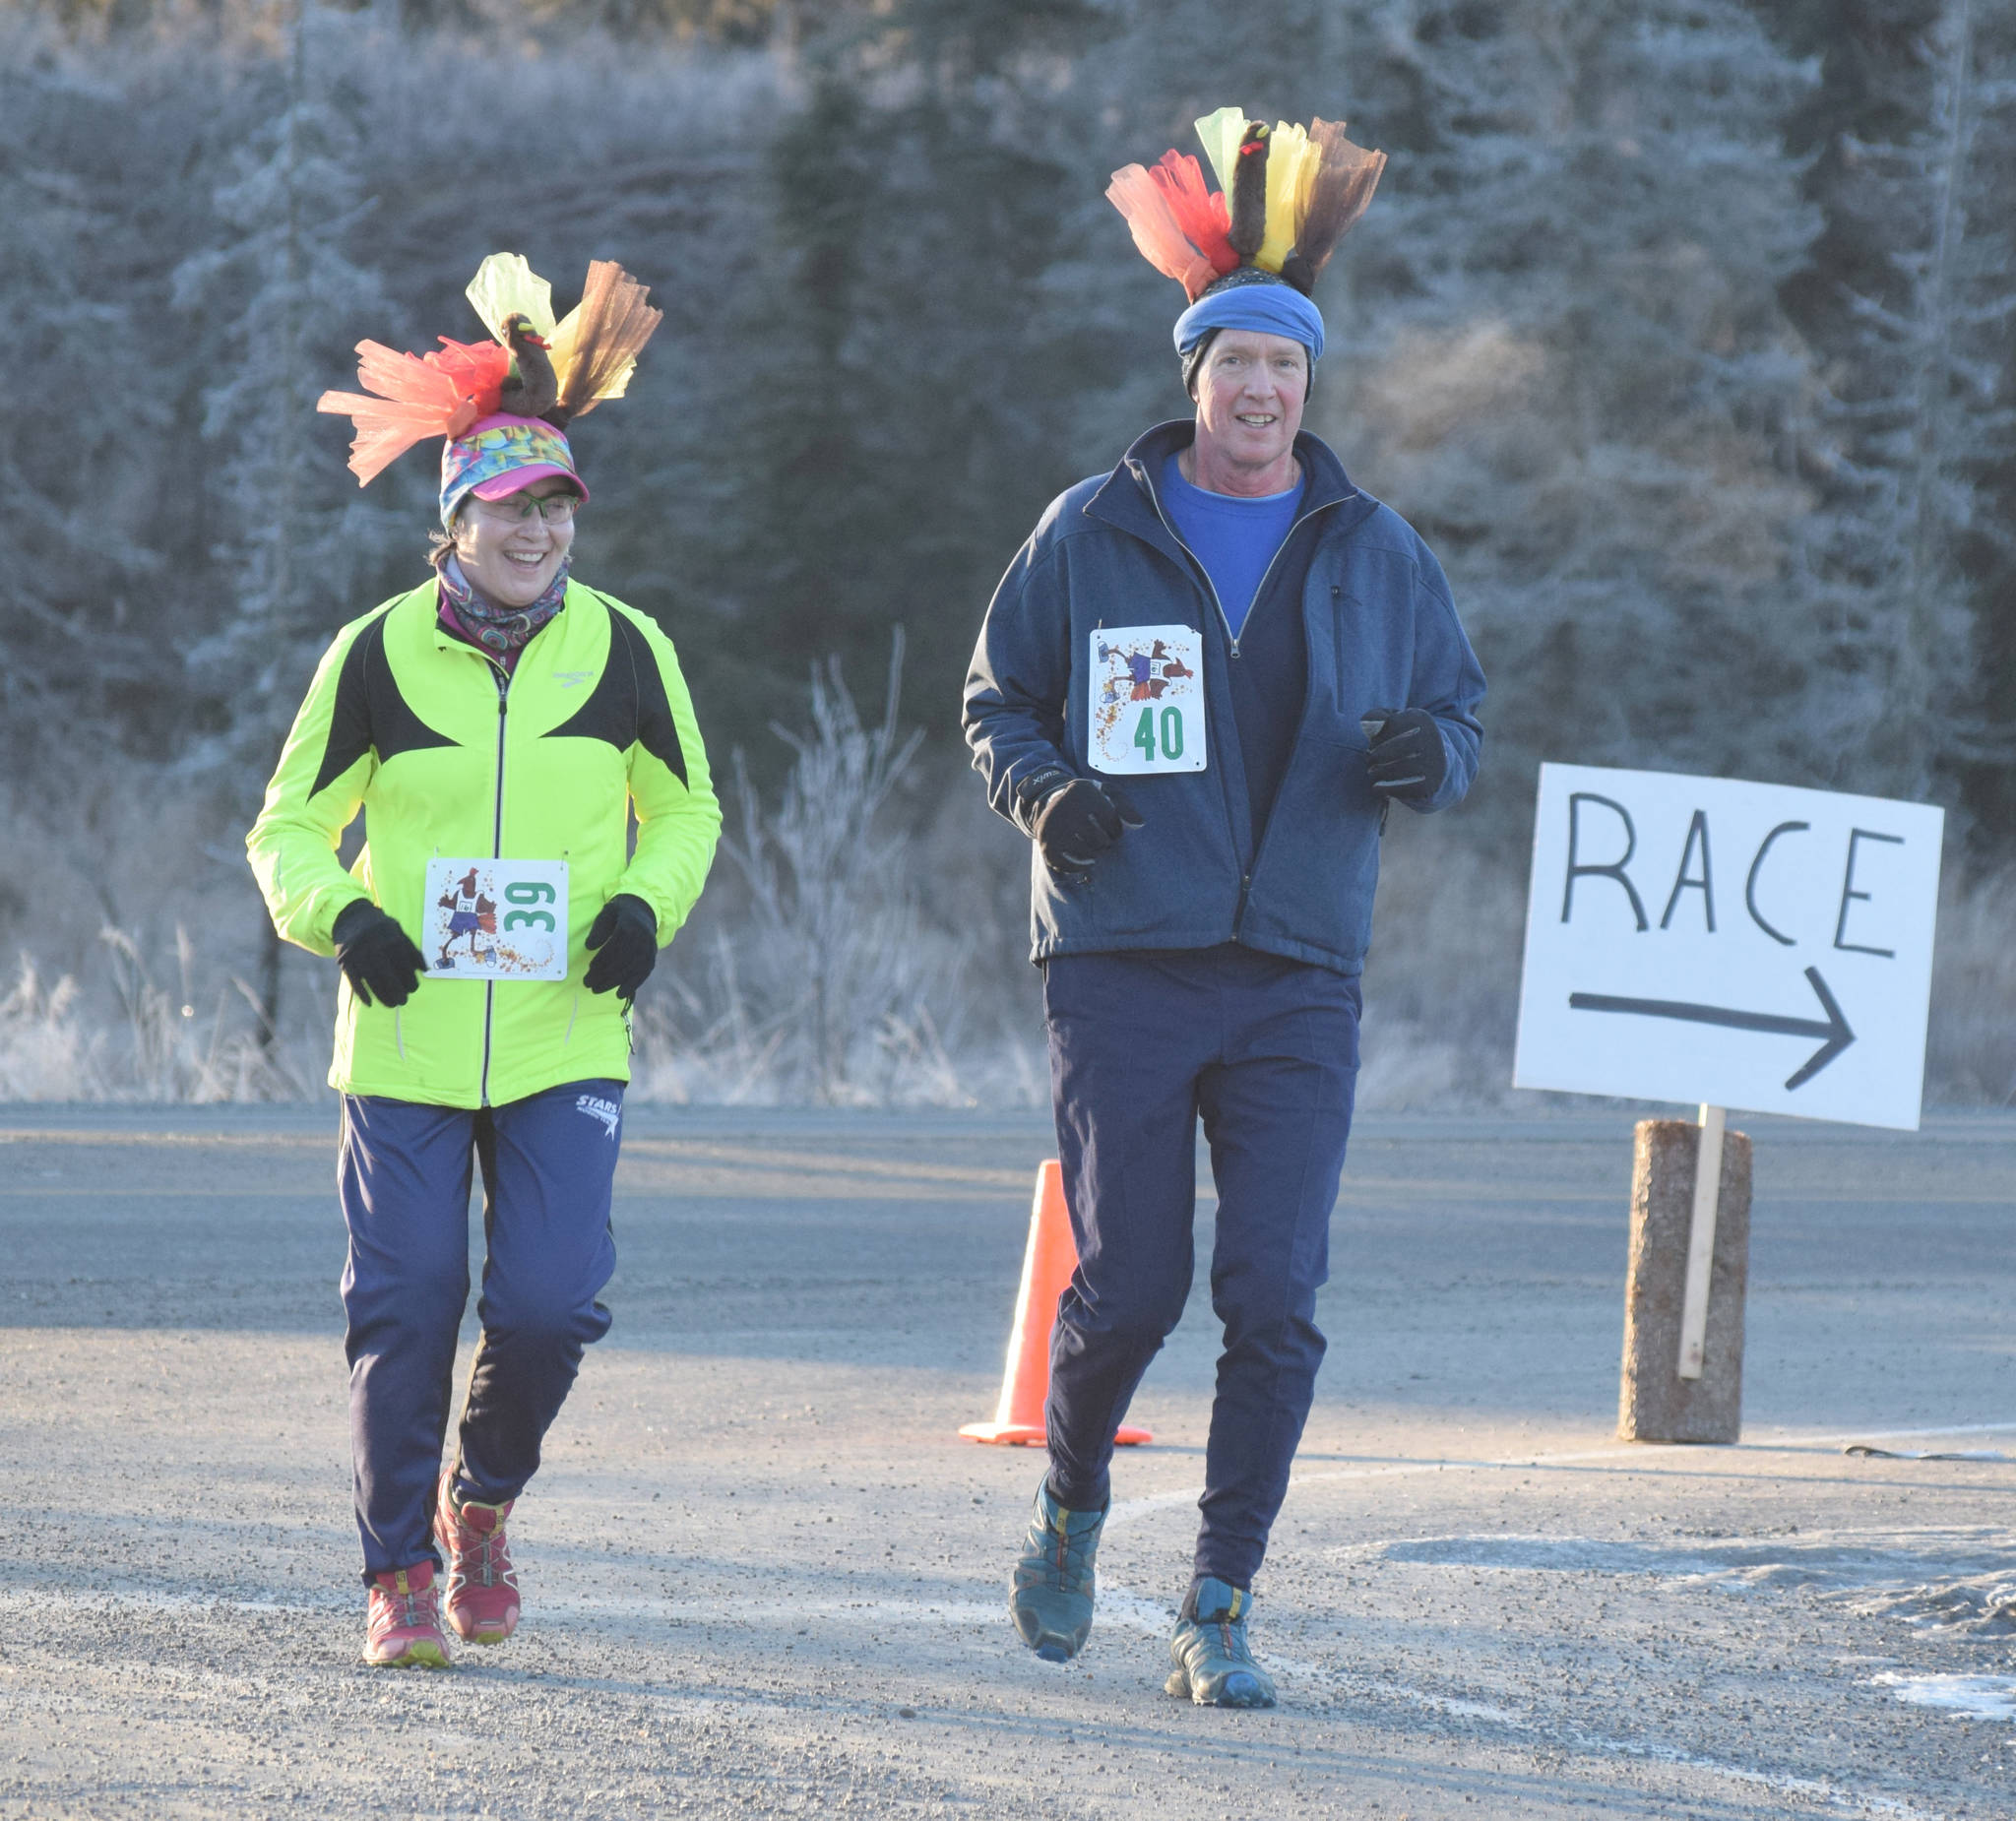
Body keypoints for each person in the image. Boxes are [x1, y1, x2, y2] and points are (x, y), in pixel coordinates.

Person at [963, 109, 1485, 1707]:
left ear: (1310, 390)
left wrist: (1425, 754)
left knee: (1277, 1294)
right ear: (1192, 377)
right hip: (1125, 951)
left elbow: (1461, 727)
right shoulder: (1092, 527)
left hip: (1297, 969)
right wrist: (1050, 794)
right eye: (1233, 364)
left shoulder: (1376, 548)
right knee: (1130, 1281)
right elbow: (999, 704)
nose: (1259, 393)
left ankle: (1222, 1597)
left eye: (1287, 369)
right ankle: (1068, 1503)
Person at [248, 254, 720, 1668]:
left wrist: (646, 905)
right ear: (457, 517)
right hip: (403, 1037)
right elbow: (286, 829)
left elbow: (689, 806)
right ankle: (394, 1568)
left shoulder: (630, 651)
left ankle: (482, 1505)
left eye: (557, 506)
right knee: (404, 1300)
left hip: (567, 1029)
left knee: (549, 1300)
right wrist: (349, 918)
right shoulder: (376, 656)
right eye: (511, 507)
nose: (538, 531)